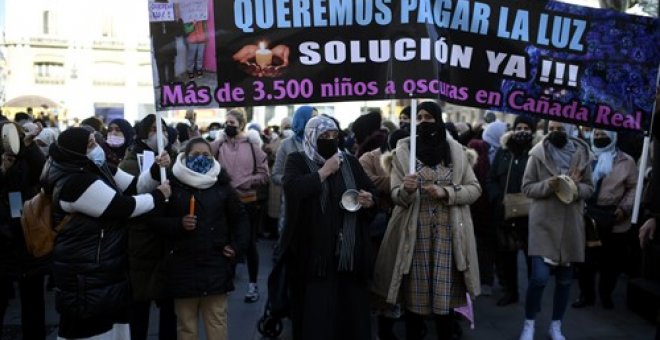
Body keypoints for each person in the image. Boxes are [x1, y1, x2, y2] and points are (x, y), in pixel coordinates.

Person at [44, 127, 171, 339]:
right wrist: (158, 196)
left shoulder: (96, 167)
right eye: (90, 144)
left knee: (111, 328)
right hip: (84, 271)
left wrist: (156, 170)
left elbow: (134, 187)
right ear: (76, 150)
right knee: (88, 329)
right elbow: (123, 207)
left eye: (96, 141)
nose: (97, 147)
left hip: (104, 266)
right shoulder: (75, 181)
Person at [372, 101, 482, 340]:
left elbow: (474, 189)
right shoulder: (403, 153)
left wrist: (448, 193)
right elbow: (395, 196)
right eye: (419, 117)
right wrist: (406, 190)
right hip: (414, 239)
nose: (423, 122)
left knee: (444, 309)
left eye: (428, 117)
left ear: (439, 120)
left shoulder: (457, 153)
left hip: (449, 239)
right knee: (415, 307)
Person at [139, 138, 249, 340]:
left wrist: (236, 247)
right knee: (186, 326)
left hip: (215, 264)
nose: (201, 159)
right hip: (182, 267)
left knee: (217, 321)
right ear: (184, 157)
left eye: (206, 155)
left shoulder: (222, 186)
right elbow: (153, 221)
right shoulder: (170, 185)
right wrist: (179, 224)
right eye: (195, 155)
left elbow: (240, 219)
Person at [282, 115, 377, 340]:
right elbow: (293, 190)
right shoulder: (297, 159)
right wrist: (323, 172)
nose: (331, 140)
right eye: (324, 136)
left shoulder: (350, 161)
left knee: (350, 314)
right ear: (312, 136)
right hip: (313, 255)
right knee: (317, 316)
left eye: (335, 135)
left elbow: (372, 192)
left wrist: (368, 200)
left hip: (348, 254)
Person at [519, 121, 594, 340]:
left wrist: (573, 187)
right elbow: (527, 187)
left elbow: (590, 188)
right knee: (539, 278)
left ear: (569, 130)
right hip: (544, 225)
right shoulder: (537, 154)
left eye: (560, 129)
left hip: (571, 225)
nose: (555, 133)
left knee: (564, 281)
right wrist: (550, 185)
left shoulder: (583, 155)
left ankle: (556, 325)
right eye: (551, 129)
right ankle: (529, 323)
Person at [119, 115, 178, 340]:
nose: (159, 134)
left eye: (162, 129)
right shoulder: (131, 161)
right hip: (142, 241)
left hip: (168, 238)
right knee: (139, 304)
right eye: (153, 129)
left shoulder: (174, 158)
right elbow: (132, 193)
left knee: (169, 307)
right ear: (144, 132)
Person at [573, 129, 637, 309]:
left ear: (614, 136)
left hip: (614, 217)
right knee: (585, 260)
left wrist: (624, 208)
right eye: (597, 135)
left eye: (604, 135)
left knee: (611, 262)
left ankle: (606, 294)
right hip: (587, 215)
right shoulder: (585, 156)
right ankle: (586, 295)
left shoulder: (626, 161)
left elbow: (633, 188)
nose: (600, 138)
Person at [213, 109, 269, 303]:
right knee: (224, 240)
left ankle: (253, 286)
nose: (228, 126)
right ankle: (225, 282)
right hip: (224, 201)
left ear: (241, 125)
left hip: (247, 201)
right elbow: (201, 154)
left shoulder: (252, 146)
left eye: (232, 123)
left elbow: (264, 175)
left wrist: (248, 181)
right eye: (226, 123)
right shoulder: (219, 145)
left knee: (249, 244)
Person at [0, 122, 47, 340]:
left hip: (27, 234)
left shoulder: (27, 157)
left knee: (33, 298)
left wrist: (29, 146)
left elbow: (43, 173)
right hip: (5, 239)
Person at [486, 116, 540, 306]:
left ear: (533, 131)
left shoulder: (537, 153)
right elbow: (491, 178)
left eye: (526, 128)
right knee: (506, 258)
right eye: (519, 127)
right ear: (512, 129)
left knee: (532, 259)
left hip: (531, 216)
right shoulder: (503, 152)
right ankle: (511, 292)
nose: (522, 131)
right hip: (505, 214)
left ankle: (534, 296)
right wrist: (497, 198)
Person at [150, 0, 181, 85]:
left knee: (171, 72)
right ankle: (164, 91)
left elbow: (179, 33)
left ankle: (170, 89)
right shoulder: (152, 21)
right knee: (162, 73)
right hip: (159, 49)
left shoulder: (171, 19)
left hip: (169, 50)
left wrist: (178, 18)